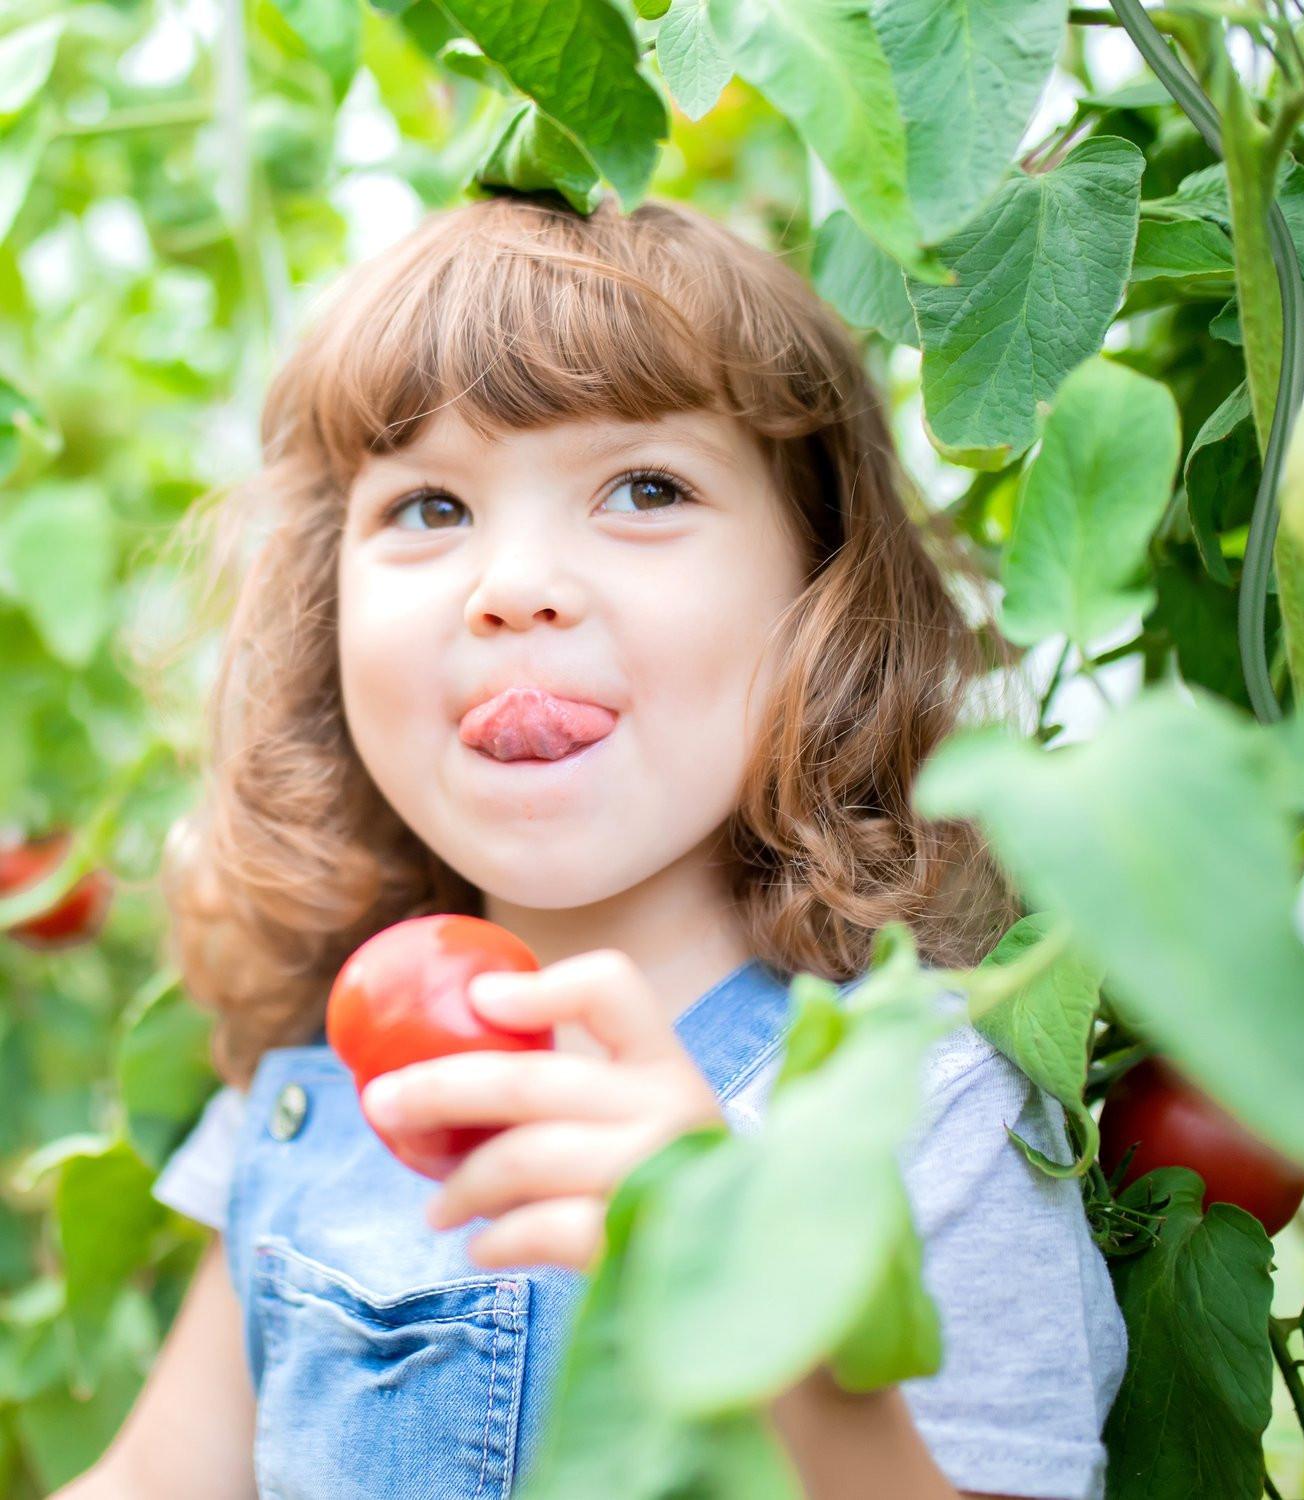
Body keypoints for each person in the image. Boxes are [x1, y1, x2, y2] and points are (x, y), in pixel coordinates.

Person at [54, 189, 1127, 1500]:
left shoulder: (924, 1117)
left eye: (644, 487)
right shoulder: (306, 1103)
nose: (513, 587)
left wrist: (762, 1305)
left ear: (820, 590)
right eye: (430, 509)